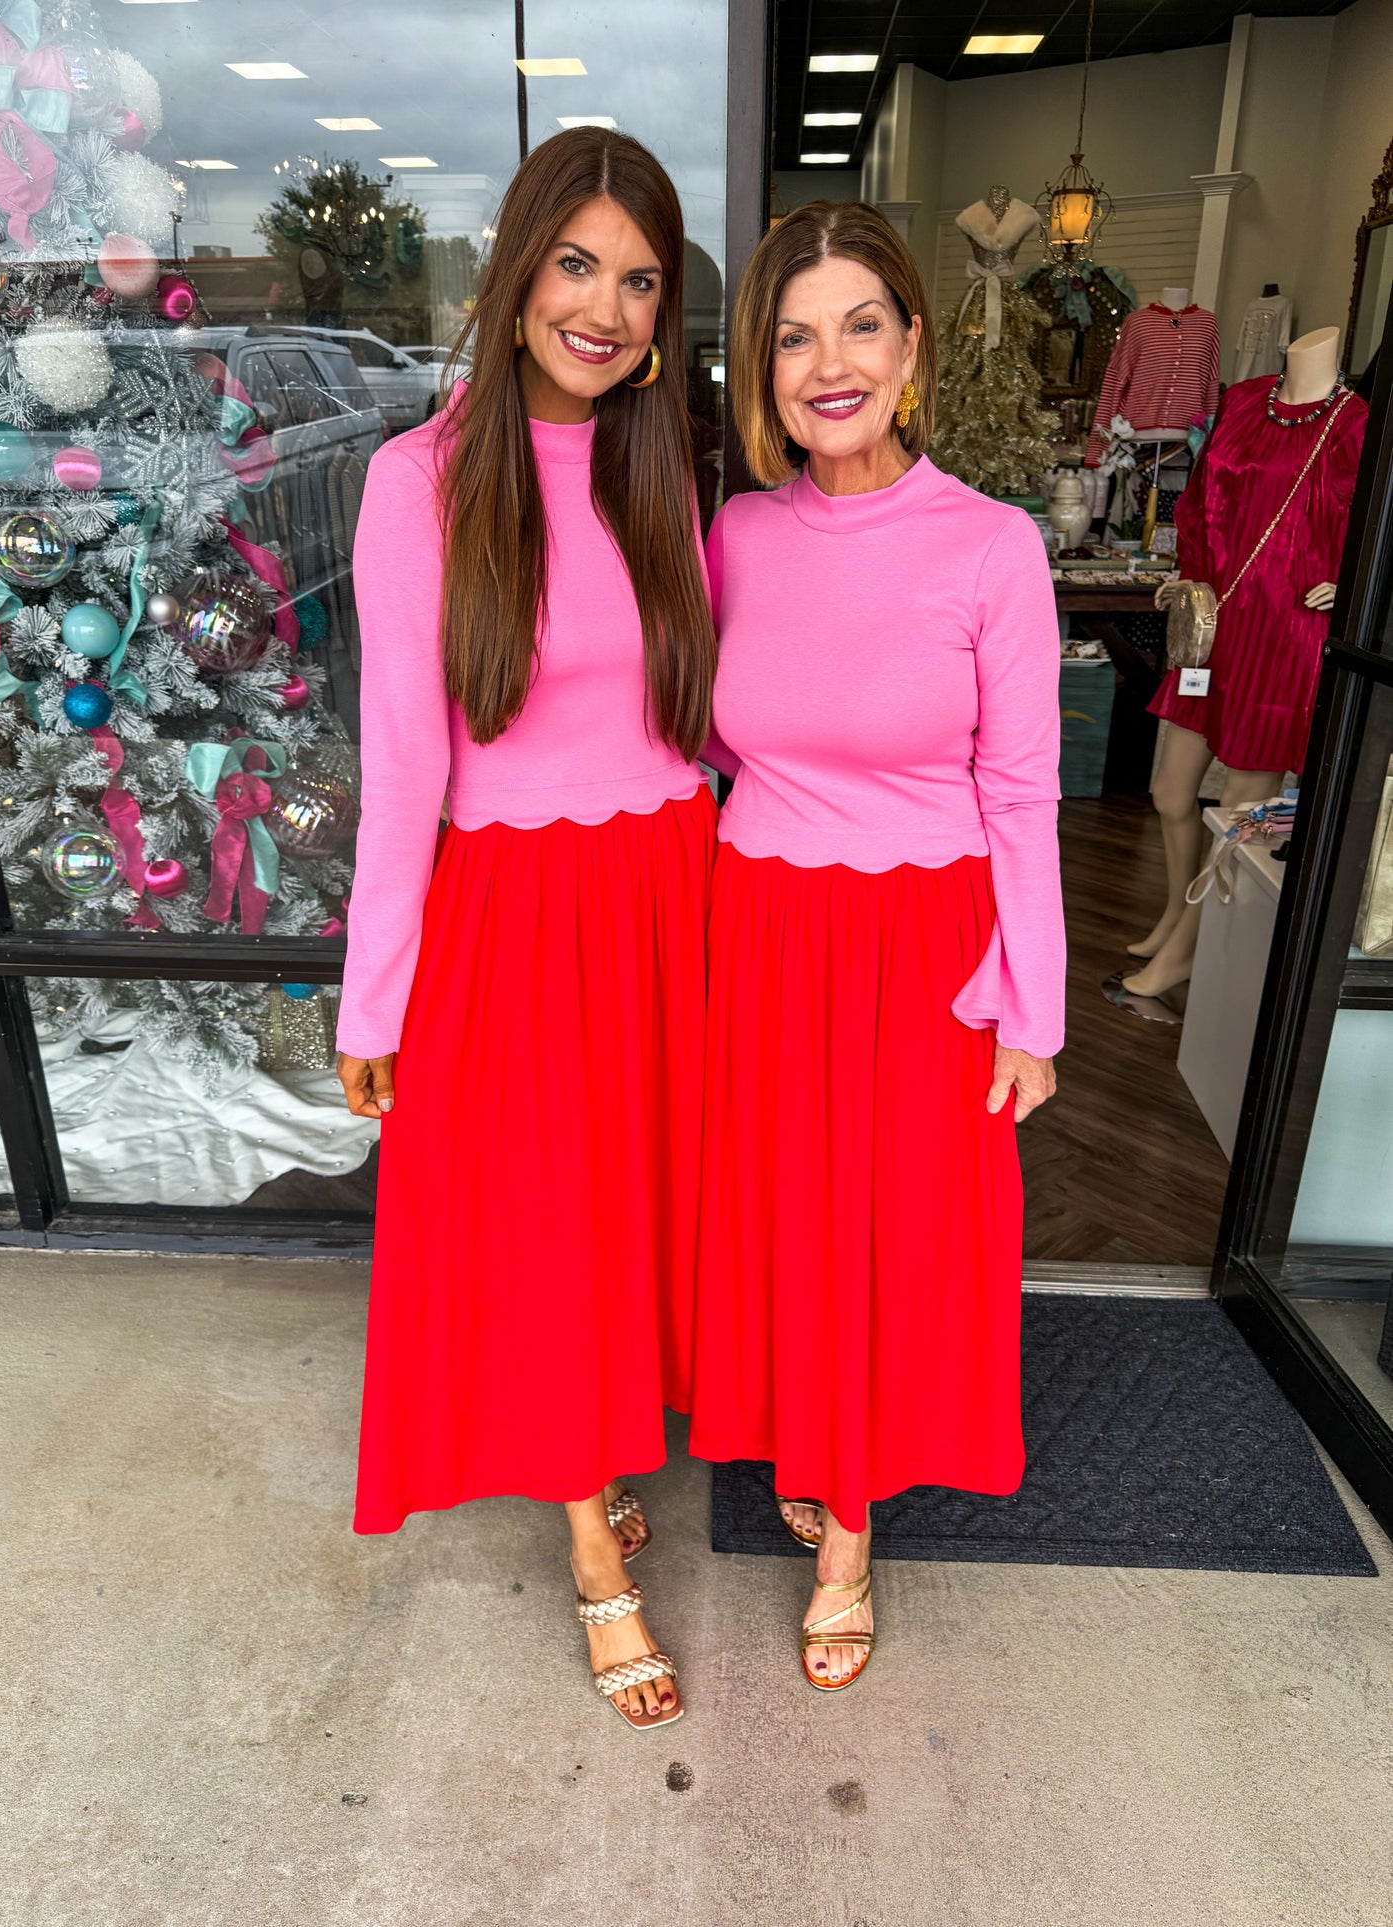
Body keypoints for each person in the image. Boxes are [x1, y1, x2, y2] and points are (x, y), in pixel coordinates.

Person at [336, 128, 718, 1732]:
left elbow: (702, 717)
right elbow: (403, 767)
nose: (604, 309)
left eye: (638, 281)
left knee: (647, 1218)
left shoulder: (659, 463)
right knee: (555, 1238)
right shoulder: (414, 481)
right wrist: (374, 1001)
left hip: (672, 893)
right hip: (519, 916)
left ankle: (607, 1452)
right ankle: (589, 1551)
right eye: (576, 265)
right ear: (512, 278)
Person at [691, 202, 1064, 1691]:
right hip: (760, 926)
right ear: (762, 368)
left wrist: (1030, 1006)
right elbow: (714, 743)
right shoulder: (737, 533)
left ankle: (849, 1532)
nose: (828, 365)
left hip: (923, 941)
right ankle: (816, 1440)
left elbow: (1022, 790)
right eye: (794, 337)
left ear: (912, 349)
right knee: (786, 1218)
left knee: (894, 1232)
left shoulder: (991, 545)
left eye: (859, 327)